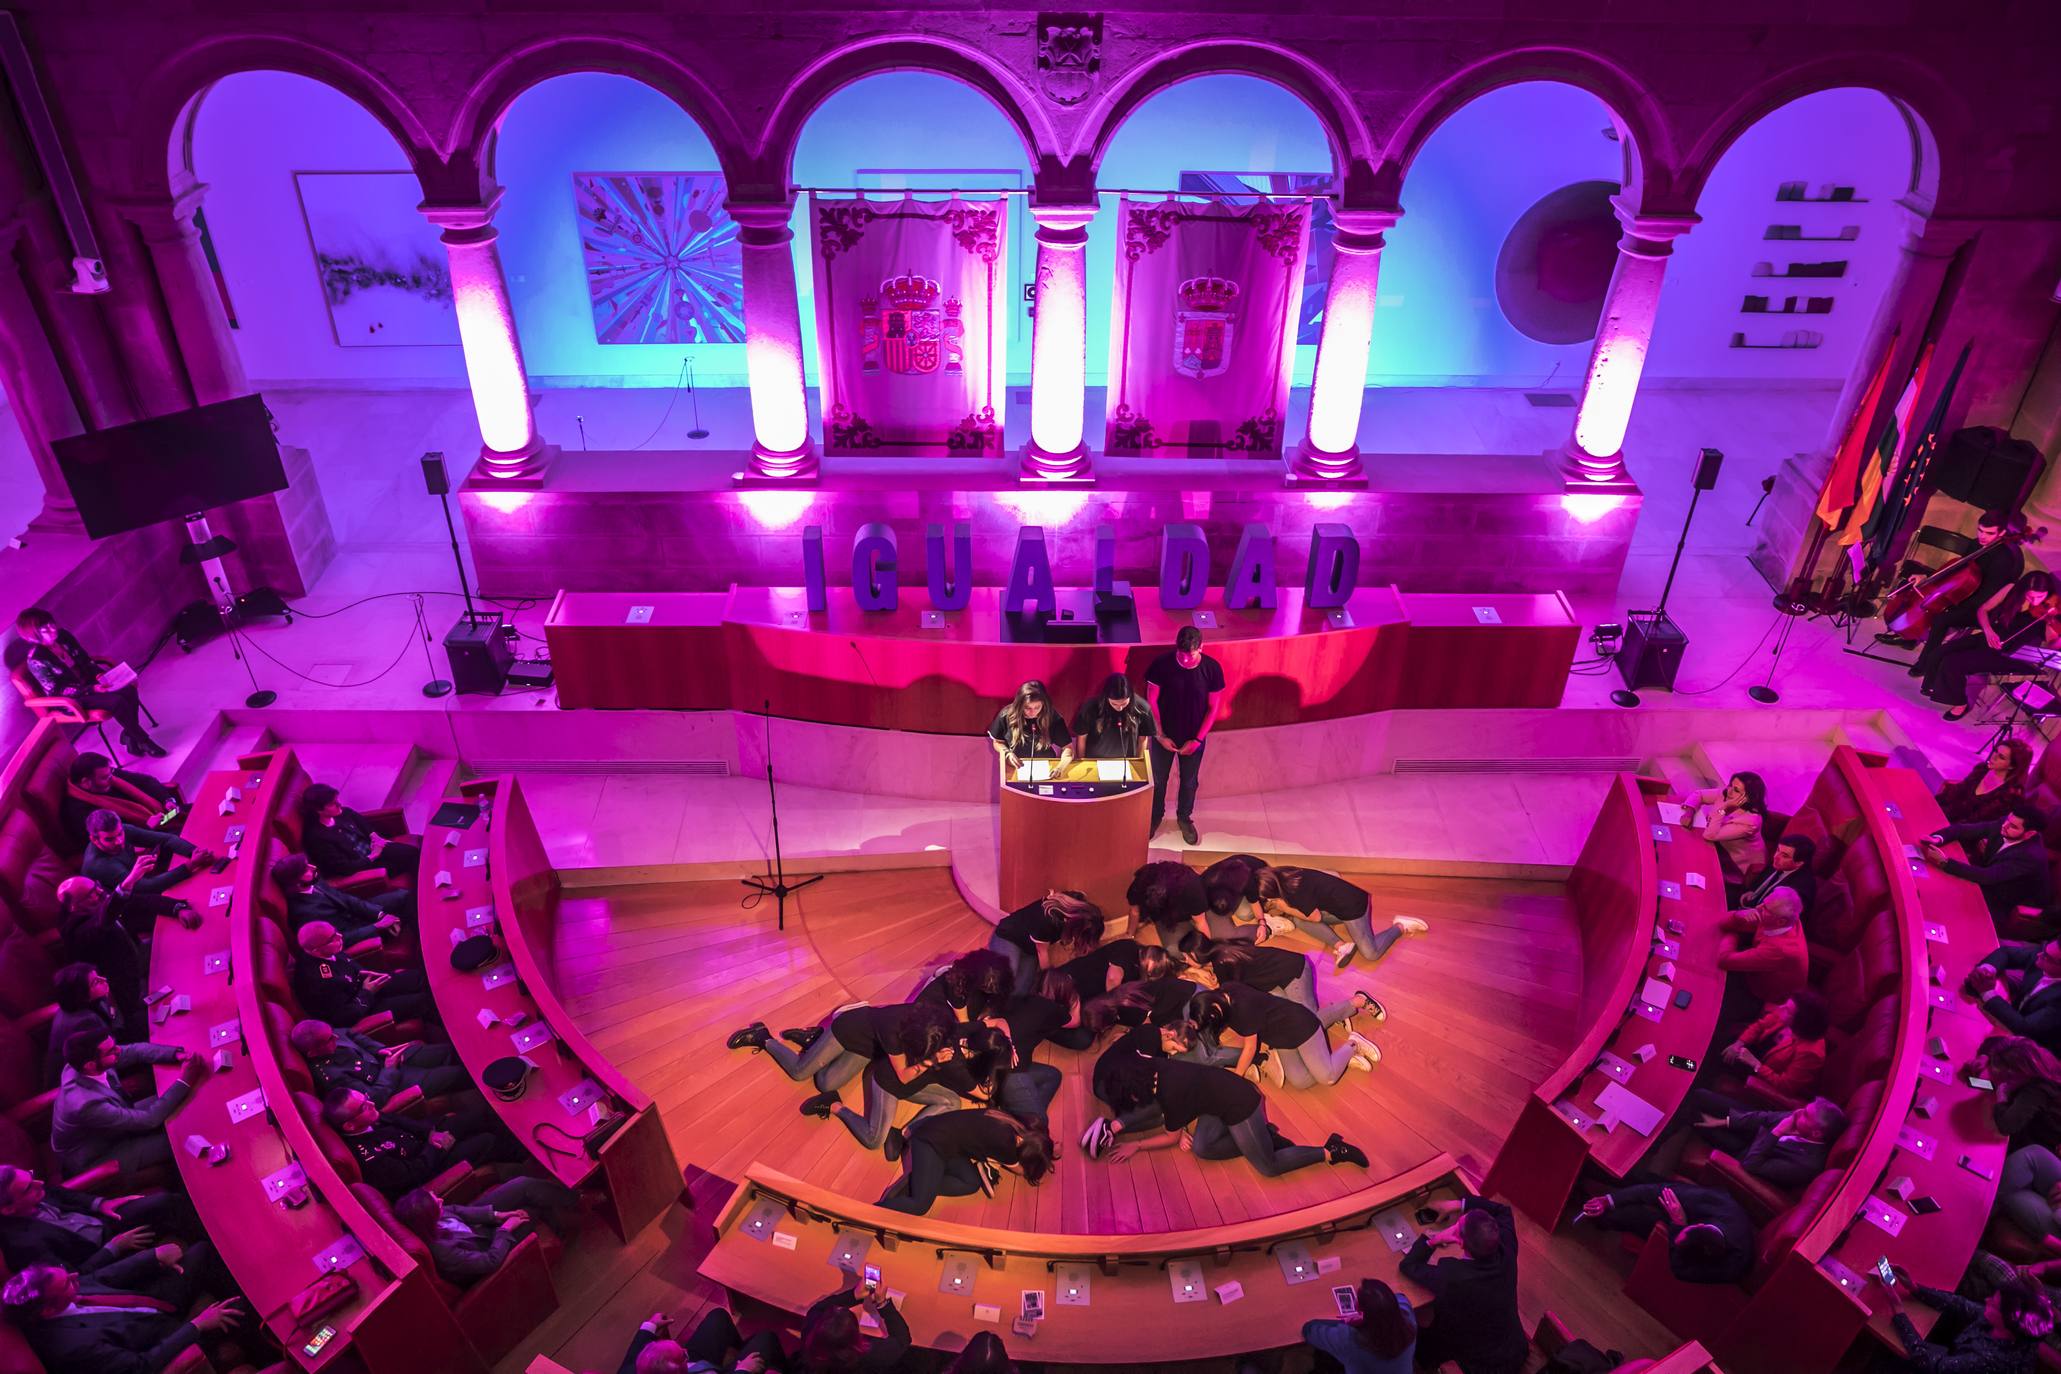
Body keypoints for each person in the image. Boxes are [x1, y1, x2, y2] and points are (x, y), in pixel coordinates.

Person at [1084, 1053, 1368, 1177]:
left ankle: (1330, 1151)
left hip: (1241, 1104)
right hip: (1216, 1100)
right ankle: (1262, 1136)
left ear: (1136, 1091)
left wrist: (1138, 1145)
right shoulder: (1154, 1066)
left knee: (1268, 1167)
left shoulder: (1170, 1095)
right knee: (1203, 1148)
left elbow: (1171, 1138)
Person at [0, 1261, 247, 1374]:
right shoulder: (75, 1348)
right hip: (170, 1336)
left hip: (154, 1305)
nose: (75, 1277)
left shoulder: (58, 1294)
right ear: (48, 1311)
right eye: (67, 1283)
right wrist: (197, 1325)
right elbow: (141, 1366)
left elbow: (98, 1278)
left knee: (201, 1252)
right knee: (242, 1306)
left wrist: (151, 1257)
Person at [726, 1001, 958, 1105]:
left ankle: (814, 1040)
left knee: (826, 1084)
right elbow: (904, 1076)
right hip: (849, 1030)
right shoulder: (892, 1029)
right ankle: (762, 1036)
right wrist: (932, 1061)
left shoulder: (934, 1019)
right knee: (799, 1072)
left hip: (868, 1046)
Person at [1399, 1197, 1528, 1374]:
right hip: (1516, 1347)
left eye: (1458, 1225)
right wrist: (1459, 1204)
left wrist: (1433, 1240)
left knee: (1415, 1333)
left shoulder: (1453, 1277)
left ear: (1460, 1241)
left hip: (1484, 1365)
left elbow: (1409, 1266)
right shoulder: (1507, 1249)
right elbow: (1503, 1210)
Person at [50, 1031, 208, 1176]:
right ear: (90, 1065)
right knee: (179, 1140)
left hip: (113, 1123)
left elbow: (136, 1051)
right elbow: (148, 1120)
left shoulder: (83, 1063)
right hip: (98, 1153)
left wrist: (176, 1055)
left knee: (186, 1106)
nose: (119, 1050)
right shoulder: (85, 1105)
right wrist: (185, 1080)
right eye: (111, 1051)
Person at [12, 608, 163, 757]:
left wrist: (99, 675)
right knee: (116, 701)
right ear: (33, 636)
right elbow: (57, 690)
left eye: (52, 623)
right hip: (73, 698)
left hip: (90, 683)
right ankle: (143, 741)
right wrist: (93, 689)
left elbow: (85, 659)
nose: (53, 629)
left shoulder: (63, 636)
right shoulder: (37, 659)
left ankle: (130, 736)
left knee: (129, 690)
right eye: (45, 629)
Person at [321, 1087, 509, 1197]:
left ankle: (512, 1123)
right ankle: (516, 1154)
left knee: (475, 1118)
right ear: (350, 1126)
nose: (372, 1104)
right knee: (486, 1141)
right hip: (430, 1166)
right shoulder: (371, 1159)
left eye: (367, 1099)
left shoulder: (369, 1117)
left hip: (425, 1141)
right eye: (364, 1106)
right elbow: (414, 1174)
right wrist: (434, 1145)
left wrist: (429, 1133)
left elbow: (399, 1121)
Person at [1893, 507, 2029, 659]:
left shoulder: (2004, 559)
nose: (1982, 536)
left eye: (1989, 533)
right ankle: (1910, 635)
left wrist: (1953, 599)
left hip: (1979, 604)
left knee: (1942, 616)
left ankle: (1925, 661)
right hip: (1962, 592)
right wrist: (1927, 577)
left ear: (2002, 533)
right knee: (1915, 588)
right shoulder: (1975, 544)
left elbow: (1987, 594)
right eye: (1980, 530)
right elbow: (1955, 570)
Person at [0, 1165, 190, 1274]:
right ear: (8, 1209)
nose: (39, 1183)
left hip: (104, 1221)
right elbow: (75, 1277)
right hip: (103, 1254)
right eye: (28, 1188)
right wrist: (115, 1248)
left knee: (166, 1202)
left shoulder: (34, 1191)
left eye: (32, 1176)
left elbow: (61, 1193)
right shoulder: (24, 1246)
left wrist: (101, 1204)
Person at [1922, 571, 2061, 721]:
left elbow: (2053, 645)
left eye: (2040, 597)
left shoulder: (2047, 611)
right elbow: (1983, 610)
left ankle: (1960, 703)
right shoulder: (2011, 589)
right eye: (2030, 595)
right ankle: (1935, 687)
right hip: (1989, 638)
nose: (2035, 601)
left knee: (1954, 662)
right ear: (2023, 588)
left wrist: (2053, 624)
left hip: (2009, 655)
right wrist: (1988, 631)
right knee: (1941, 651)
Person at [392, 1175, 579, 1285]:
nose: (441, 1200)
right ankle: (569, 1218)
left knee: (524, 1184)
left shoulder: (432, 1216)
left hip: (479, 1227)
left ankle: (575, 1199)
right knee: (531, 1210)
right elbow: (489, 1262)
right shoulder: (445, 1252)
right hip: (490, 1245)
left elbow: (458, 1211)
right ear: (428, 1219)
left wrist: (498, 1215)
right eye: (436, 1204)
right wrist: (506, 1228)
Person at [1188, 981, 1380, 1088]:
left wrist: (1237, 1077)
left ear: (1214, 1009)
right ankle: (1336, 1057)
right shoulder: (1225, 991)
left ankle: (1352, 1045)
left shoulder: (1241, 1010)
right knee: (1301, 1081)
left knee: (1328, 1077)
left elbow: (1250, 1047)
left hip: (1302, 1028)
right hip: (1282, 1036)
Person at [1246, 863, 1430, 970]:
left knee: (1371, 953)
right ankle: (1342, 946)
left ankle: (1400, 926)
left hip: (1354, 907)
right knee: (1299, 919)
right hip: (1337, 903)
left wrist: (1282, 906)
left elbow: (1316, 918)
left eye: (1267, 897)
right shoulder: (1284, 874)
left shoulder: (1294, 893)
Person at [875, 1107, 1054, 1215]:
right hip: (930, 1142)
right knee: (920, 1206)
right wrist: (1035, 1167)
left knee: (971, 1183)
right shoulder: (1006, 1144)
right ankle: (874, 1211)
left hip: (952, 1146)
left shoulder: (1016, 1124)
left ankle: (917, 1182)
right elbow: (1020, 1170)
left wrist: (1049, 1151)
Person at [1878, 1263, 2053, 1373]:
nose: (1987, 1301)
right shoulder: (2018, 1329)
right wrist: (1916, 1289)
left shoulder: (1984, 1360)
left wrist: (1899, 1311)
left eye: (1993, 1303)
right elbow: (1962, 1305)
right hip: (1954, 1356)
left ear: (2007, 1324)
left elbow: (1930, 1363)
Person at [1145, 625, 1225, 845]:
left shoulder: (1212, 669)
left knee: (1189, 781)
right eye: (1182, 655)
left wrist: (1198, 739)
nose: (1186, 660)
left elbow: (1213, 708)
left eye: (1190, 655)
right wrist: (1159, 734)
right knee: (1158, 779)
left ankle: (1184, 817)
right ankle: (1154, 816)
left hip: (1193, 736)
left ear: (1201, 647)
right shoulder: (1161, 665)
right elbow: (1151, 701)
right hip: (1163, 733)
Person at [1578, 1184, 1753, 1284]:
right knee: (1644, 1183)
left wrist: (1677, 1225)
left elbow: (1680, 1270)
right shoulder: (1720, 1205)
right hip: (1689, 1212)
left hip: (1679, 1226)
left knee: (1631, 1216)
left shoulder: (1730, 1267)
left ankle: (1582, 1205)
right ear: (1699, 1224)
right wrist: (1609, 1200)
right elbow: (1658, 1190)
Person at [288, 1018, 469, 1108]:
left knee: (448, 1050)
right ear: (313, 1052)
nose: (335, 1036)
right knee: (456, 1074)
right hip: (392, 1082)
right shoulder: (332, 1078)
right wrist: (390, 1069)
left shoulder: (327, 1034)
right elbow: (374, 1098)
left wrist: (379, 1049)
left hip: (386, 1058)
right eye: (329, 1039)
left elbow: (350, 1034)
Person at [1676, 1092, 1845, 1189]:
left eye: (1806, 1115)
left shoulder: (1806, 1165)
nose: (1799, 1112)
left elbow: (1752, 1164)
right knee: (1700, 1096)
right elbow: (1764, 1117)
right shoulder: (1801, 1119)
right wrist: (1724, 1122)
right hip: (1753, 1129)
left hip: (1746, 1151)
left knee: (1691, 1116)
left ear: (1816, 1134)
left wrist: (1777, 1131)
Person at [55, 881, 151, 1040]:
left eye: (97, 885)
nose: (100, 891)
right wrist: (128, 882)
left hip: (131, 961)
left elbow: (138, 902)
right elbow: (102, 922)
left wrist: (177, 908)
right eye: (91, 893)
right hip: (125, 990)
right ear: (75, 907)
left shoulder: (96, 897)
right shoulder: (77, 931)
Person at [1925, 804, 2053, 921]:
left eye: (2013, 826)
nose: (2004, 826)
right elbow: (1964, 830)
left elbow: (1988, 877)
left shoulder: (2031, 856)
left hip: (2003, 901)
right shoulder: (2006, 823)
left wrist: (1945, 863)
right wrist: (1938, 838)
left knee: (1943, 906)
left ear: (2029, 834)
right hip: (1989, 880)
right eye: (2008, 820)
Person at [292, 921, 433, 1025]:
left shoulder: (325, 950)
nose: (340, 937)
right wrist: (368, 992)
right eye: (332, 939)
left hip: (363, 985)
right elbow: (344, 1016)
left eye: (336, 932)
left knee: (419, 978)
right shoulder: (321, 982)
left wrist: (363, 973)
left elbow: (347, 964)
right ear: (316, 950)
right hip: (362, 1007)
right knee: (423, 1000)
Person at [79, 810, 213, 915]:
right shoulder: (99, 865)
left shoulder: (121, 830)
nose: (119, 841)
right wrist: (191, 865)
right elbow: (148, 887)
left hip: (142, 879)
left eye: (120, 834)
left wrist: (197, 853)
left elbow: (167, 839)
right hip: (129, 907)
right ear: (94, 840)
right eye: (109, 839)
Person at [1717, 988, 1831, 1102]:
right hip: (1753, 1050)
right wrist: (1739, 1043)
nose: (1781, 1008)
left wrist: (1755, 1064)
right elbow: (1760, 1026)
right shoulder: (1785, 1016)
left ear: (1800, 1022)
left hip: (1760, 1074)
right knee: (1720, 1039)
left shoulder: (1811, 1054)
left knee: (1717, 1056)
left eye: (1788, 1010)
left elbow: (1785, 1086)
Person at [272, 851, 410, 941]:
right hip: (360, 933)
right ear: (295, 882)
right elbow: (339, 939)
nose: (313, 867)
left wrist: (379, 914)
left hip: (361, 914)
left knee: (404, 896)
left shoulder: (315, 881)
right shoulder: (305, 914)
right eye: (305, 870)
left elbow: (348, 900)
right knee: (407, 916)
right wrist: (378, 926)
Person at [988, 890, 1103, 995]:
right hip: (1008, 936)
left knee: (1021, 990)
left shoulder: (1077, 907)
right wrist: (1050, 981)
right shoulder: (1049, 920)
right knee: (1006, 977)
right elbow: (1042, 953)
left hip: (1029, 948)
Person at [1716, 885, 1808, 1016]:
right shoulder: (1776, 917)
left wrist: (1734, 933)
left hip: (1758, 993)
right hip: (1755, 966)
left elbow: (1723, 961)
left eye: (1765, 908)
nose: (1758, 908)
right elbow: (1723, 922)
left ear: (1780, 922)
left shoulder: (1781, 950)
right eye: (1764, 903)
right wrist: (1738, 915)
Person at [300, 783, 415, 882]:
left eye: (337, 800)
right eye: (332, 804)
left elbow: (364, 824)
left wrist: (375, 837)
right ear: (318, 810)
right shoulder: (317, 838)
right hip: (364, 864)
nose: (339, 805)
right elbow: (344, 867)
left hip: (373, 847)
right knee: (408, 863)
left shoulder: (342, 813)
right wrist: (373, 856)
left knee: (412, 852)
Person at [61, 753, 182, 846]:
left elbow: (146, 781)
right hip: (145, 839)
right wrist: (147, 827)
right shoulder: (80, 812)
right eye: (104, 778)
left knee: (197, 811)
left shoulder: (109, 776)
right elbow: (112, 840)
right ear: (86, 782)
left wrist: (167, 800)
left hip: (165, 818)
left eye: (110, 773)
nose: (111, 778)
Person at [1301, 1276, 1416, 1374]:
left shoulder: (1349, 1339)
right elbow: (1401, 1297)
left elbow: (1309, 1329)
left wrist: (1347, 1323)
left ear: (1360, 1310)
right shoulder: (1408, 1320)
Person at [1684, 772, 1769, 897]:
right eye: (1730, 785)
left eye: (1736, 790)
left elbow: (1710, 835)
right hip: (1719, 847)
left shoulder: (1751, 821)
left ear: (1749, 797)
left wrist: (1724, 808)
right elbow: (1699, 794)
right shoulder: (1727, 795)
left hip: (1733, 865)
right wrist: (1689, 812)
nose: (1729, 791)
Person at [1968, 939, 2061, 1050]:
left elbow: (2025, 1029)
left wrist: (1987, 992)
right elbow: (2006, 953)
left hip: (2027, 1050)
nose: (2039, 954)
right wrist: (1986, 971)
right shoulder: (2046, 954)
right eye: (2044, 949)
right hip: (2013, 1015)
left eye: (2047, 957)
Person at [1973, 1036, 2061, 1150]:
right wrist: (1985, 1056)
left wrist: (2002, 1097)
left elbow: (2006, 1125)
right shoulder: (2034, 1055)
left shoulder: (2036, 1091)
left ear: (2013, 1072)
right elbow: (1994, 1042)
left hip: (2037, 1139)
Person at [45, 964, 127, 1086]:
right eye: (95, 982)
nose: (104, 980)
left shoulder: (78, 1004)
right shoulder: (84, 1023)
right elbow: (108, 1055)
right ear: (81, 995)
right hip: (89, 1078)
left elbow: (114, 1017)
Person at [1941, 739, 2039, 827]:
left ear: (2012, 766)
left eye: (2001, 757)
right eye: (1996, 751)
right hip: (1950, 814)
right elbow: (1960, 790)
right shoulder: (1982, 768)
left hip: (1965, 830)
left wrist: (1945, 822)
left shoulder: (2010, 795)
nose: (1993, 757)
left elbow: (1978, 822)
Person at [987, 680, 1073, 775]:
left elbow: (1068, 748)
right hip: (1015, 767)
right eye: (1027, 708)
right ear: (1019, 705)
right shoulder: (1006, 715)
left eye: (1037, 707)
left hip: (1046, 768)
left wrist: (1060, 768)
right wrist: (1007, 753)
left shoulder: (1053, 718)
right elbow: (998, 742)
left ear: (1044, 704)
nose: (1032, 713)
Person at [1072, 672, 1158, 761]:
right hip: (1095, 761)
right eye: (1114, 704)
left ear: (1131, 696)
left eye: (1124, 703)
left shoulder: (1142, 708)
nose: (1120, 708)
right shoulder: (1089, 708)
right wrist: (1081, 761)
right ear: (1106, 697)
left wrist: (1138, 763)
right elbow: (1081, 738)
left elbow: (1143, 739)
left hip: (1126, 762)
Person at [1128, 861, 1210, 947]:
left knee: (1174, 949)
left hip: (1186, 911)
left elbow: (1201, 922)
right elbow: (1134, 911)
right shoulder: (1140, 883)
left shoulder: (1193, 889)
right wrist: (1130, 934)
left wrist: (1208, 949)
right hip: (1166, 915)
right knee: (1173, 948)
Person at [1736, 835, 1818, 921]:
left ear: (1799, 863)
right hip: (1747, 906)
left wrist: (1750, 913)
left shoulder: (1798, 890)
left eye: (1785, 855)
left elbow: (1777, 922)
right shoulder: (1781, 863)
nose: (1776, 857)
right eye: (1778, 850)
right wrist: (1751, 891)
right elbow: (1760, 880)